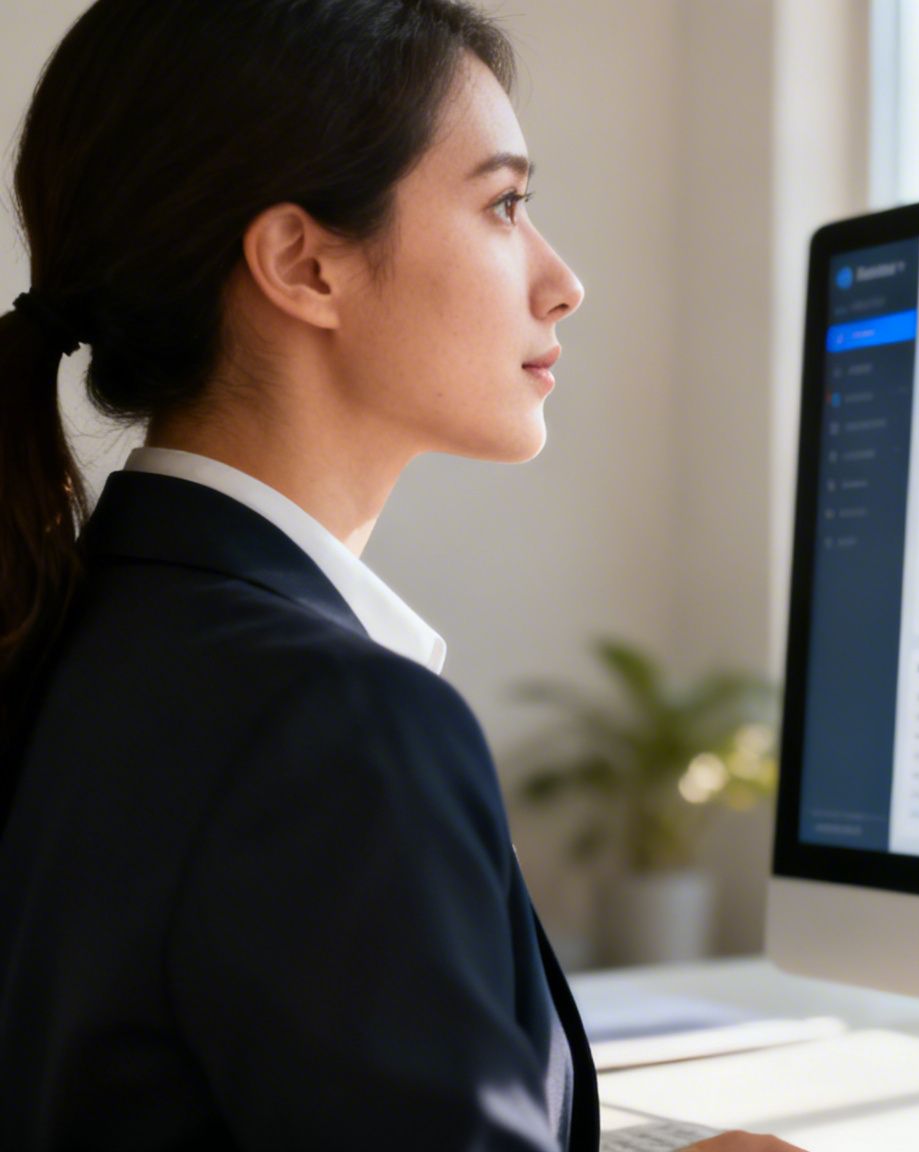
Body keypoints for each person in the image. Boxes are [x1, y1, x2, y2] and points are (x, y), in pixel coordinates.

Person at [0, 2, 803, 1149]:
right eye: (504, 205)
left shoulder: (75, 626)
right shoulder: (331, 724)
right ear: (304, 263)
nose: (562, 279)